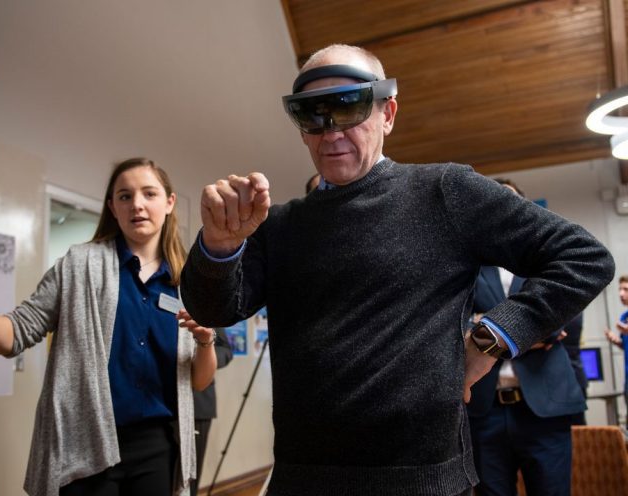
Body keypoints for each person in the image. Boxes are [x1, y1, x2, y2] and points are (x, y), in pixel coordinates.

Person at [180, 44, 615, 496]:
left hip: (425, 480)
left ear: (387, 113)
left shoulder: (445, 192)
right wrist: (220, 245)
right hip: (304, 479)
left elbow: (583, 258)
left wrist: (492, 339)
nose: (330, 133)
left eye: (349, 107)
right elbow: (213, 310)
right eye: (313, 115)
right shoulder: (279, 224)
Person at [0, 157, 217, 496]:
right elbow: (12, 336)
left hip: (157, 447)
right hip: (84, 441)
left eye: (149, 194)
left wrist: (205, 344)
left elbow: (198, 381)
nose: (138, 205)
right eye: (125, 196)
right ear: (112, 207)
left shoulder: (187, 282)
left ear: (169, 202)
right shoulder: (77, 265)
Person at [466, 179, 587, 496]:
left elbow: (563, 322)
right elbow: (452, 323)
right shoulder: (466, 265)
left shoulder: (549, 259)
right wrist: (526, 328)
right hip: (485, 410)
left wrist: (485, 328)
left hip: (544, 409)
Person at [191, 328, 232, 496]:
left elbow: (226, 351)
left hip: (198, 404)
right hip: (156, 405)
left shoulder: (203, 305)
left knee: (191, 477)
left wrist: (204, 355)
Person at [604, 274, 628, 423]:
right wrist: (616, 341)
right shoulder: (624, 316)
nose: (621, 294)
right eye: (620, 289)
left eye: (625, 289)